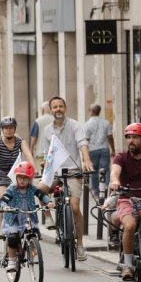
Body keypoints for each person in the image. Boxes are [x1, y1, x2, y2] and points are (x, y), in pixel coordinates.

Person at [37, 96, 93, 261]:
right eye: (55, 107)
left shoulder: (76, 125)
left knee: (75, 207)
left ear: (65, 108)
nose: (58, 109)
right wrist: (45, 168)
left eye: (60, 106)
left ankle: (80, 244)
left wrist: (87, 160)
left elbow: (82, 144)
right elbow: (48, 153)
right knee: (39, 189)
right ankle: (48, 217)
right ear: (51, 110)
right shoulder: (47, 130)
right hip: (55, 171)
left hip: (73, 170)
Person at [108, 122, 141, 281]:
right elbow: (114, 171)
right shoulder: (121, 157)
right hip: (127, 197)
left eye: (135, 138)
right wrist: (115, 181)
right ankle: (128, 265)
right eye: (128, 137)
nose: (131, 141)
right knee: (130, 225)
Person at [0, 161, 54, 273]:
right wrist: (5, 206)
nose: (23, 181)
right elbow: (4, 199)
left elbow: (41, 195)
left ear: (30, 179)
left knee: (34, 231)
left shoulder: (32, 188)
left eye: (26, 178)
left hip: (28, 215)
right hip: (14, 217)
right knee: (13, 237)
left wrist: (48, 202)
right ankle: (11, 261)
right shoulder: (12, 189)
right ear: (16, 178)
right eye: (20, 178)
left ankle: (32, 248)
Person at [0, 117, 33, 226]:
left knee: (20, 199)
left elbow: (28, 155)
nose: (8, 130)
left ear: (15, 129)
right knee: (4, 200)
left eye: (11, 128)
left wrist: (34, 169)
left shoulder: (20, 141)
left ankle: (22, 224)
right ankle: (1, 229)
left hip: (16, 175)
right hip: (1, 176)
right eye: (5, 128)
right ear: (2, 129)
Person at [83, 104, 115, 197]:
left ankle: (96, 191)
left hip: (92, 150)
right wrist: (113, 149)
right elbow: (110, 137)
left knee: (94, 171)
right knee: (106, 170)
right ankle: (106, 189)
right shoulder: (106, 122)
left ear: (91, 111)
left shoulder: (87, 124)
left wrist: (85, 156)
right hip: (104, 149)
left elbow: (86, 140)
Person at [30, 101, 54, 170]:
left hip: (40, 152)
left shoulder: (38, 121)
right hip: (53, 151)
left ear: (42, 110)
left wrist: (31, 149)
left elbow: (34, 137)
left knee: (41, 172)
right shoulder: (55, 120)